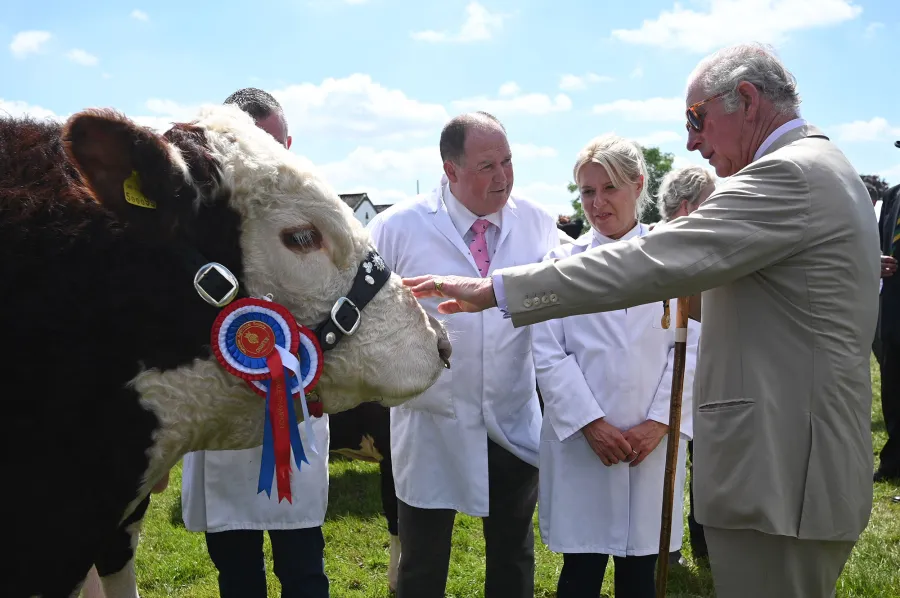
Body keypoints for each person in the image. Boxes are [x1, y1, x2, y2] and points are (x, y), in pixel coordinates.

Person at [404, 42, 881, 598]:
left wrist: (497, 289)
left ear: (746, 100)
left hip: (781, 470)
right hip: (781, 463)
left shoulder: (789, 176)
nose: (690, 141)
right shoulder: (816, 168)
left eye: (696, 118)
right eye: (587, 190)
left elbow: (653, 264)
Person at [368, 111, 559, 598]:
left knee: (512, 556)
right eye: (487, 166)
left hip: (511, 415)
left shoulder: (537, 223)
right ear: (450, 171)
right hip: (432, 422)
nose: (504, 177)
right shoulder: (396, 228)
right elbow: (364, 317)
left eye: (508, 162)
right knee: (423, 564)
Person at [532, 134, 699, 598]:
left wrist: (662, 422)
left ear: (638, 185)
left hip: (651, 445)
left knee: (640, 574)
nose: (597, 203)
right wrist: (591, 424)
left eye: (609, 188)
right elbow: (547, 350)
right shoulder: (559, 265)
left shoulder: (674, 259)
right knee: (580, 574)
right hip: (585, 445)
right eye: (588, 191)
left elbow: (692, 347)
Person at [180, 87, 330, 598]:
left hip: (297, 409)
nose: (275, 157)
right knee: (237, 571)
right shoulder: (196, 223)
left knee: (305, 565)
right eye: (259, 146)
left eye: (280, 143)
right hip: (224, 415)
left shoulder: (318, 219)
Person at [656, 165, 716, 565]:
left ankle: (700, 545)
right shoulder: (658, 247)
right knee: (671, 460)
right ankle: (668, 546)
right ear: (686, 206)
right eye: (712, 202)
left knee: (705, 462)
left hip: (707, 367)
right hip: (668, 374)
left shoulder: (710, 244)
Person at [874, 140, 900, 482]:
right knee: (893, 386)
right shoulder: (894, 195)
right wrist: (875, 261)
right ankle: (893, 461)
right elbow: (880, 241)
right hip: (893, 307)